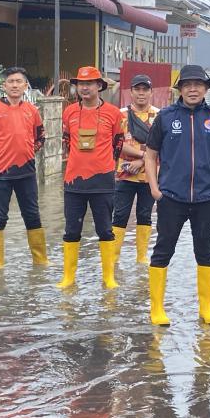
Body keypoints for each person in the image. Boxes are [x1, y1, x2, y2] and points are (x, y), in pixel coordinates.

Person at [144, 64, 210, 326]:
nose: (192, 89)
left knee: (205, 251)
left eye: (198, 84)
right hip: (171, 197)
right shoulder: (166, 117)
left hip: (208, 199)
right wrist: (154, 189)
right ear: (180, 89)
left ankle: (206, 309)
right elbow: (150, 155)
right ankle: (157, 309)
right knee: (163, 250)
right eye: (187, 84)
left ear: (206, 88)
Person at [58, 66, 125, 289]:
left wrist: (105, 164)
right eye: (81, 84)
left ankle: (109, 277)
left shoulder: (113, 113)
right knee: (71, 230)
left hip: (103, 181)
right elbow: (67, 140)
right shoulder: (68, 112)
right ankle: (68, 278)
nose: (84, 88)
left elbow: (118, 143)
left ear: (99, 86)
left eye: (90, 83)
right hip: (73, 181)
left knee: (105, 229)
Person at [0, 67, 48, 269]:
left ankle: (40, 260)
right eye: (11, 81)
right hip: (0, 173)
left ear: (26, 86)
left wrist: (27, 152)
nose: (15, 85)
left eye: (19, 81)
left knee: (32, 214)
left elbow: (41, 137)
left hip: (26, 172)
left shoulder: (32, 110)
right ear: (4, 85)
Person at [111, 73, 159, 265]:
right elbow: (116, 143)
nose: (141, 93)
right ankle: (113, 257)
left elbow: (163, 145)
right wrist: (143, 157)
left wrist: (142, 162)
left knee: (145, 214)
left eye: (145, 89)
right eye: (137, 89)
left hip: (150, 175)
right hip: (124, 174)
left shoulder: (159, 116)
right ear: (130, 92)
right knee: (120, 214)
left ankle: (141, 257)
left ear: (151, 92)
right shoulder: (120, 115)